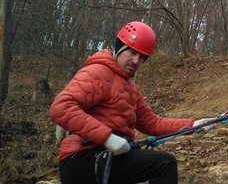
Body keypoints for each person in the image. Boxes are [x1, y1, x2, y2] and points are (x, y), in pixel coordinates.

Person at [49, 21, 216, 184]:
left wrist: (193, 125)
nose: (136, 61)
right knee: (164, 164)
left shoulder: (131, 87)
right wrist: (107, 137)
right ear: (119, 48)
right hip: (84, 158)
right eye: (132, 52)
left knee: (161, 163)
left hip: (106, 156)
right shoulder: (97, 72)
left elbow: (152, 123)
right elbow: (61, 107)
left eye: (142, 57)